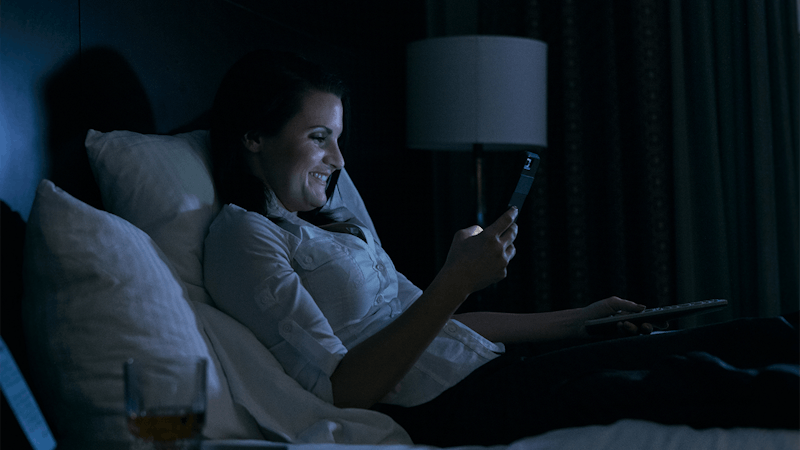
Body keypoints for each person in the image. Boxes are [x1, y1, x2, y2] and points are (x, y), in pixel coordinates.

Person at [203, 49, 800, 446]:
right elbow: (345, 389)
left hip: (489, 372)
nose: (337, 161)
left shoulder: (333, 223)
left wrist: (579, 322)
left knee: (743, 337)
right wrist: (454, 280)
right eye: (318, 138)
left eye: (337, 139)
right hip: (453, 410)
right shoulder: (242, 235)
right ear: (253, 136)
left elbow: (431, 326)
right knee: (696, 380)